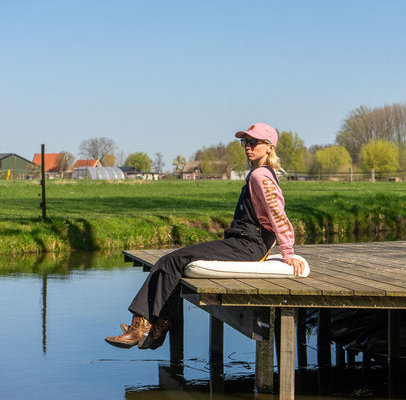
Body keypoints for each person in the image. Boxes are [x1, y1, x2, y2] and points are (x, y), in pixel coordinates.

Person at [105, 123, 307, 350]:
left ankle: (142, 327)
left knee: (171, 261)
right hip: (241, 242)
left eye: (254, 142)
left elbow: (278, 214)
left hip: (249, 245)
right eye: (245, 142)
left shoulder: (261, 176)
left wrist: (288, 253)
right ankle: (154, 327)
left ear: (269, 147)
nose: (247, 146)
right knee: (173, 261)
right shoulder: (258, 174)